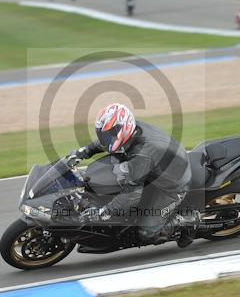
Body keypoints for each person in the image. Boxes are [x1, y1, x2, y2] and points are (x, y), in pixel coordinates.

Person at [69, 103, 198, 249]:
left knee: (147, 232)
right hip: (158, 169)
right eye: (104, 134)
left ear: (123, 129)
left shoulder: (142, 155)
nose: (106, 138)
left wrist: (102, 213)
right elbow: (108, 140)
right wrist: (84, 151)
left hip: (172, 186)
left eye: (110, 134)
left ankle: (188, 220)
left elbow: (131, 195)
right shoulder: (131, 131)